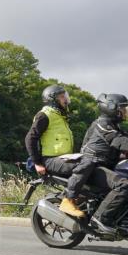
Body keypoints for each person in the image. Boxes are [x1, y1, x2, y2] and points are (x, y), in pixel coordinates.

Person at [68, 93, 128, 235]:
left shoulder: (113, 126)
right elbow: (120, 141)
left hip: (105, 165)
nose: (126, 112)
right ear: (111, 108)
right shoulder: (102, 125)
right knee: (123, 186)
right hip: (94, 167)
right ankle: (100, 220)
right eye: (123, 108)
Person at [25, 85, 87, 219]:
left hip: (63, 158)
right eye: (62, 96)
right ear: (52, 99)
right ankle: (68, 200)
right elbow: (30, 139)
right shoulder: (45, 115)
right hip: (50, 160)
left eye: (65, 96)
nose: (66, 99)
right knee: (84, 165)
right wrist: (37, 163)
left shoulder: (60, 117)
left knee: (91, 163)